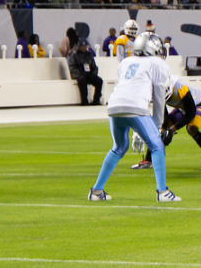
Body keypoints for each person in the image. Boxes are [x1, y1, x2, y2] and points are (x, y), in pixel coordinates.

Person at [89, 32, 179, 202]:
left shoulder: (126, 62)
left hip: (114, 105)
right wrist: (158, 124)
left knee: (119, 146)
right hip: (135, 106)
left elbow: (129, 88)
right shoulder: (157, 63)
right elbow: (159, 97)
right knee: (157, 146)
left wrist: (138, 130)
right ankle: (163, 192)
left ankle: (96, 191)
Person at [69, 28, 103, 105]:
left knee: (99, 80)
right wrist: (81, 74)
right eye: (83, 46)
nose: (84, 48)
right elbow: (72, 67)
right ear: (79, 47)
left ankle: (96, 100)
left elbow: (94, 66)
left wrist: (93, 74)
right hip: (80, 75)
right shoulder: (74, 55)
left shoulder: (89, 54)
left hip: (89, 74)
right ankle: (84, 101)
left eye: (85, 46)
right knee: (82, 81)